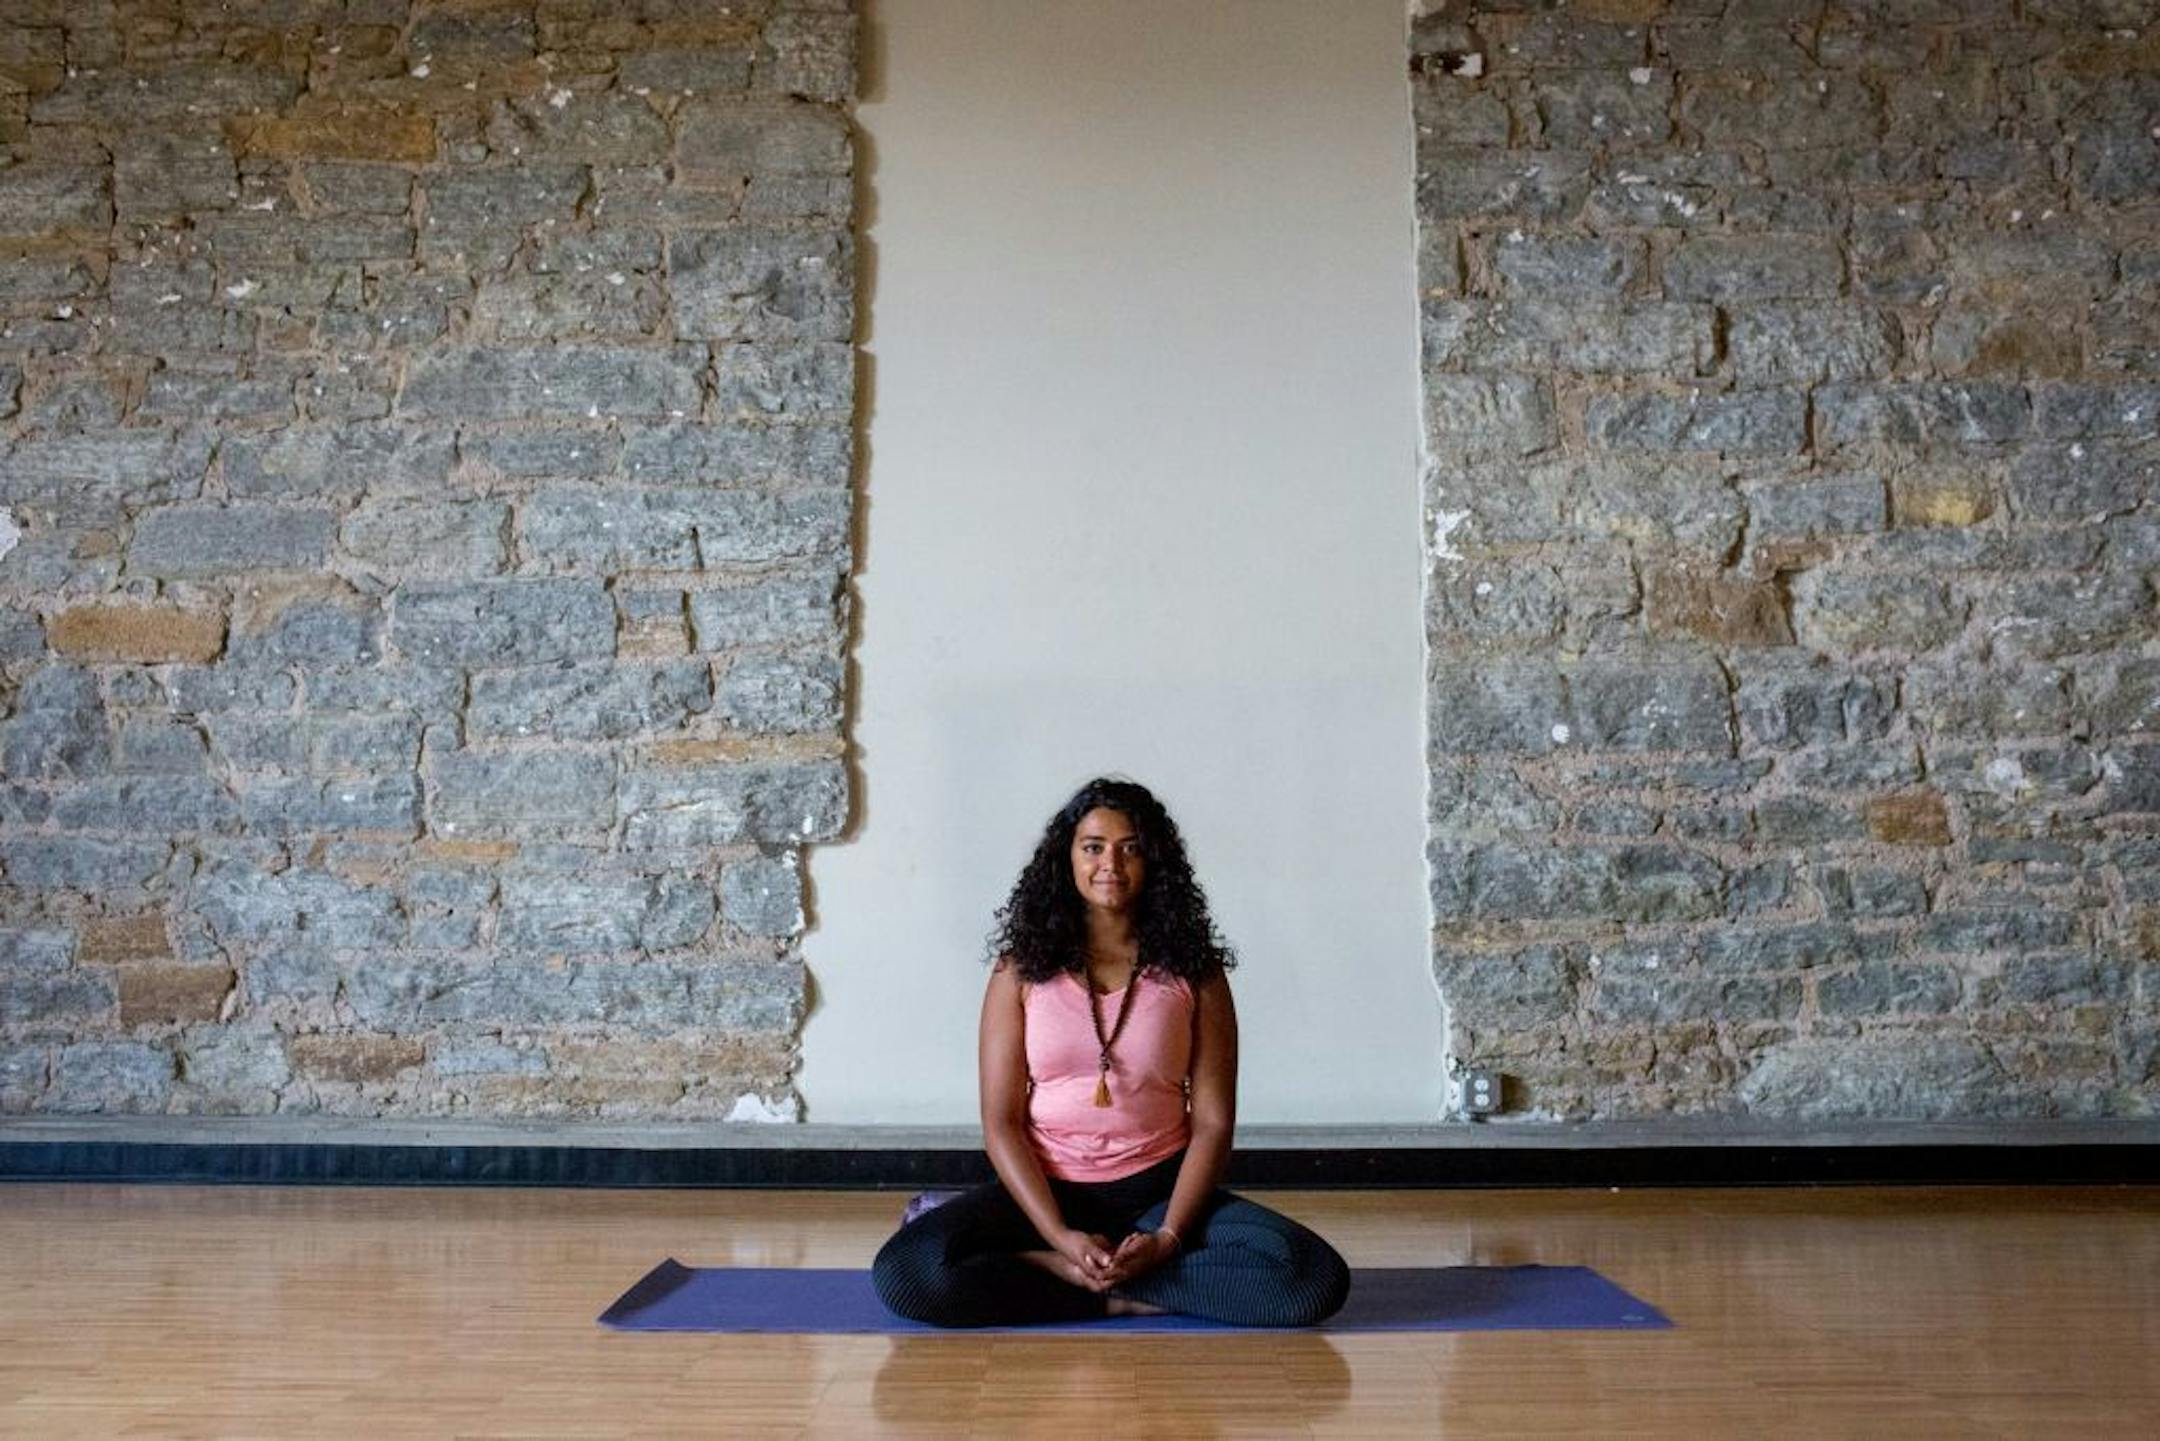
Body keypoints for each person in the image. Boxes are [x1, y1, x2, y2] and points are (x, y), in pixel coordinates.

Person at [872, 777, 1351, 1328]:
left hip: (1159, 1193)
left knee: (1313, 1278)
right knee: (904, 1273)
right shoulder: (1019, 969)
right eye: (1094, 847)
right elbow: (1001, 1121)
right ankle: (1097, 1281)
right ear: (1068, 858)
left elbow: (1214, 1123)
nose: (1111, 864)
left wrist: (1168, 1238)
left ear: (1154, 861)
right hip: (1049, 1193)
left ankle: (1092, 1282)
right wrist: (1060, 1238)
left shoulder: (1196, 971)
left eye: (1130, 848)